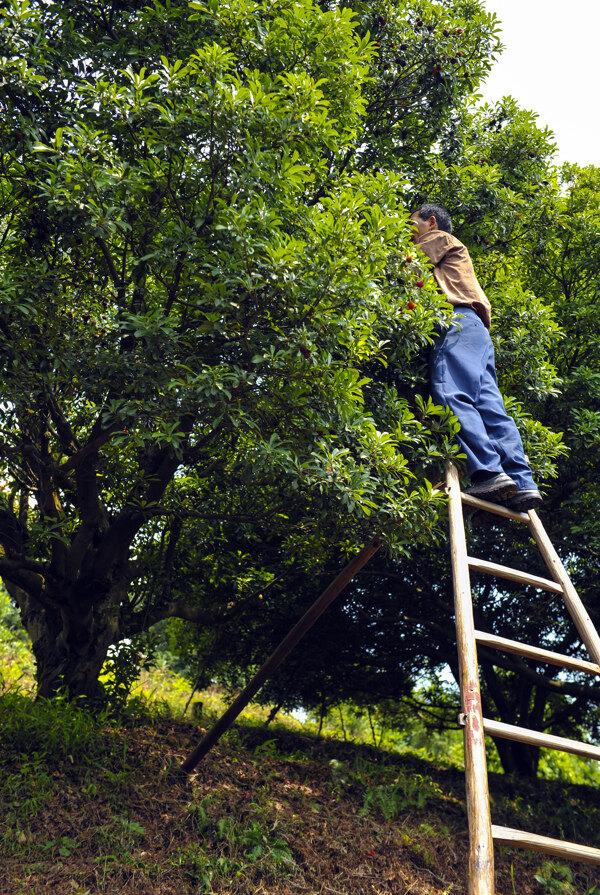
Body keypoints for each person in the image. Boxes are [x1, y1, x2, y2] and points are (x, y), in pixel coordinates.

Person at [410, 203, 542, 511]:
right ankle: (522, 483)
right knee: (491, 409)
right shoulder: (454, 252)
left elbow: (404, 266)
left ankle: (488, 470)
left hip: (456, 319)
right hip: (477, 332)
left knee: (451, 391)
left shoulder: (438, 238)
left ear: (430, 222)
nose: (407, 233)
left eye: (410, 224)